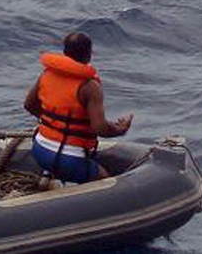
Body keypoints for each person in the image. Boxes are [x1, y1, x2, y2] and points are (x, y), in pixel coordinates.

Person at [23, 32, 132, 184]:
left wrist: (53, 124)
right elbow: (99, 128)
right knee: (104, 180)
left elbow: (29, 105)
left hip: (39, 150)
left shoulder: (47, 74)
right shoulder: (89, 86)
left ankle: (49, 176)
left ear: (65, 51)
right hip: (68, 159)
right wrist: (120, 129)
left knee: (68, 162)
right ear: (89, 54)